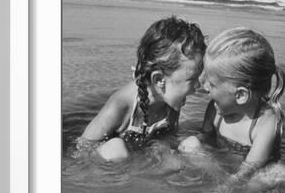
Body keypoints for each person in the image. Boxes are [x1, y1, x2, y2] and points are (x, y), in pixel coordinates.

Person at [77, 16, 206, 161]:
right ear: (159, 80)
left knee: (191, 144)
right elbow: (82, 146)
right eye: (192, 79)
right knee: (116, 149)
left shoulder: (170, 100)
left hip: (136, 154)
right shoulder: (121, 104)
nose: (199, 85)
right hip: (111, 158)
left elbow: (167, 137)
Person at [179, 27, 285, 184]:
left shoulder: (265, 123)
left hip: (246, 174)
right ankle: (219, 182)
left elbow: (250, 168)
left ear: (241, 95)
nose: (204, 86)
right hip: (218, 166)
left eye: (212, 84)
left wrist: (228, 186)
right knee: (190, 143)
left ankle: (231, 192)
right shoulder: (215, 109)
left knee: (279, 173)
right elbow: (206, 138)